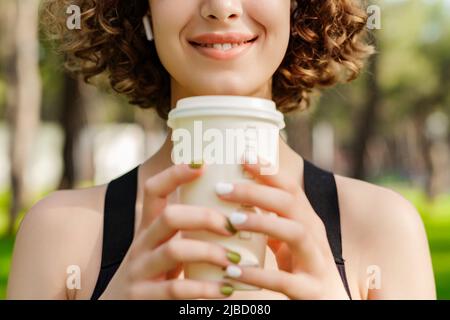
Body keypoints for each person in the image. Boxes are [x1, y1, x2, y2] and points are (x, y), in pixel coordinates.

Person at [7, 0, 435, 300]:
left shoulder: (382, 228)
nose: (221, 6)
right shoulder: (60, 233)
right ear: (142, 7)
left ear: (298, 6)